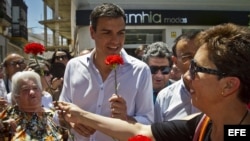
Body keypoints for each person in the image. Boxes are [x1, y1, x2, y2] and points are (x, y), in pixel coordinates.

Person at [55, 23, 250, 141]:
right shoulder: (203, 124)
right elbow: (140, 131)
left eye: (197, 69)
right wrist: (80, 115)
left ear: (229, 85)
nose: (186, 76)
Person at [54, 3, 154, 141]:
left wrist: (126, 118)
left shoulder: (140, 70)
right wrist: (72, 121)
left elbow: (148, 122)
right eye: (107, 32)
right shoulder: (74, 66)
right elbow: (61, 110)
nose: (115, 40)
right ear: (92, 32)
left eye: (121, 33)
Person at [0, 71, 69, 140]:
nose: (32, 92)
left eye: (35, 88)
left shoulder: (54, 116)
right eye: (25, 90)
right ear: (16, 96)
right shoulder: (7, 117)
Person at [154, 31, 200, 122]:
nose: (196, 62)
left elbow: (234, 133)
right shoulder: (165, 97)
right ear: (175, 61)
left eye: (200, 55)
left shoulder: (222, 91)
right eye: (188, 57)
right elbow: (157, 134)